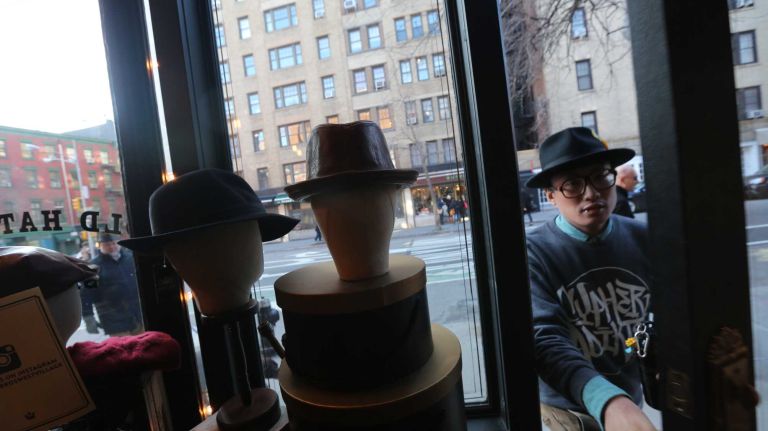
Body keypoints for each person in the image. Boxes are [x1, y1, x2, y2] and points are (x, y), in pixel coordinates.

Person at [524, 127, 654, 431]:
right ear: (551, 196)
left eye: (600, 176)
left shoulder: (643, 238)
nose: (591, 192)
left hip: (631, 396)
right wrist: (609, 401)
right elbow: (543, 339)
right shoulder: (534, 253)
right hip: (570, 409)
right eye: (572, 184)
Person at [81, 232, 144, 336]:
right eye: (107, 244)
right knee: (123, 349)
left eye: (114, 243)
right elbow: (86, 293)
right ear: (100, 245)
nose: (112, 247)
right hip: (113, 318)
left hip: (137, 315)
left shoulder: (131, 258)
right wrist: (88, 316)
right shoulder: (93, 267)